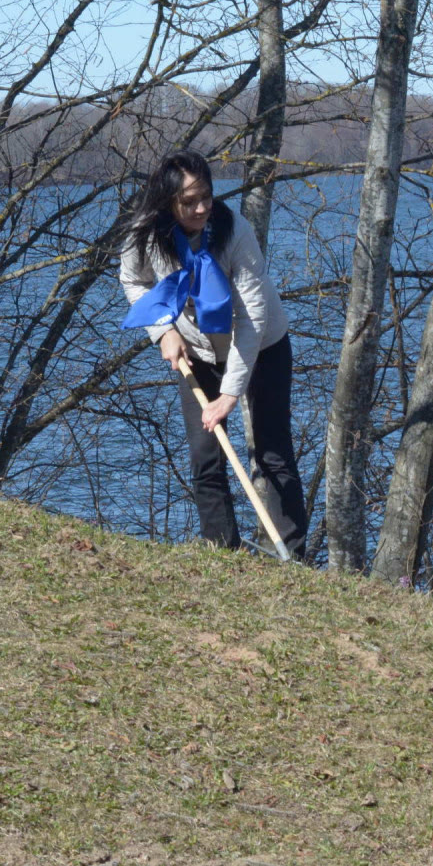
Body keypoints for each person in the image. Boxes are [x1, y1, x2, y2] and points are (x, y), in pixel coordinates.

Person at [119, 150, 306, 559]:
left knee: (272, 452)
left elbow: (252, 320)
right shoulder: (145, 232)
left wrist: (230, 395)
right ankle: (224, 555)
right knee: (206, 458)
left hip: (263, 346)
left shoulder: (235, 232)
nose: (201, 207)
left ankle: (290, 560)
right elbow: (134, 279)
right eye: (189, 201)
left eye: (206, 196)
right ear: (167, 201)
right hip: (196, 351)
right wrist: (163, 332)